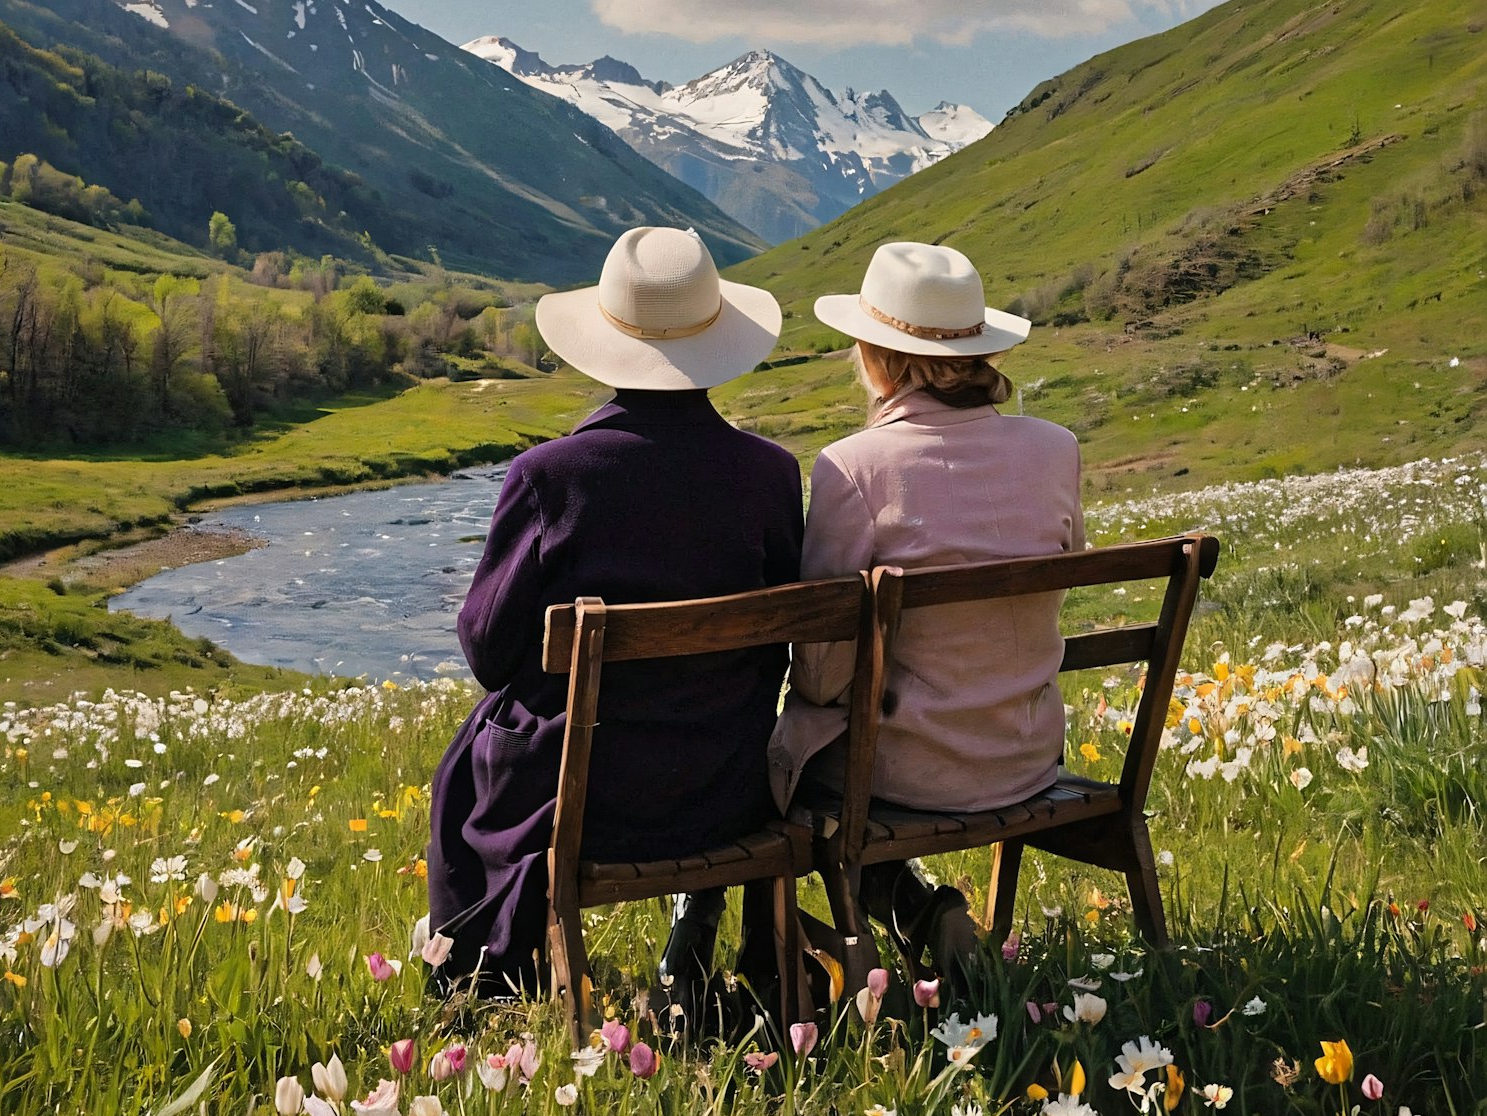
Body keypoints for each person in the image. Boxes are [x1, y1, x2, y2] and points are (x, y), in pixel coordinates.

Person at [428, 225, 803, 1000]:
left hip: (584, 798)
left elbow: (487, 652)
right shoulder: (770, 475)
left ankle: (480, 972)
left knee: (473, 753)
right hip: (727, 785)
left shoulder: (550, 477)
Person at [768, 240, 1084, 978]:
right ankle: (920, 913)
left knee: (781, 773)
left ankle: (828, 957)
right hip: (1027, 753)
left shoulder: (853, 467)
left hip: (901, 773)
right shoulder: (1056, 448)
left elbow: (822, 665)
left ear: (881, 360)